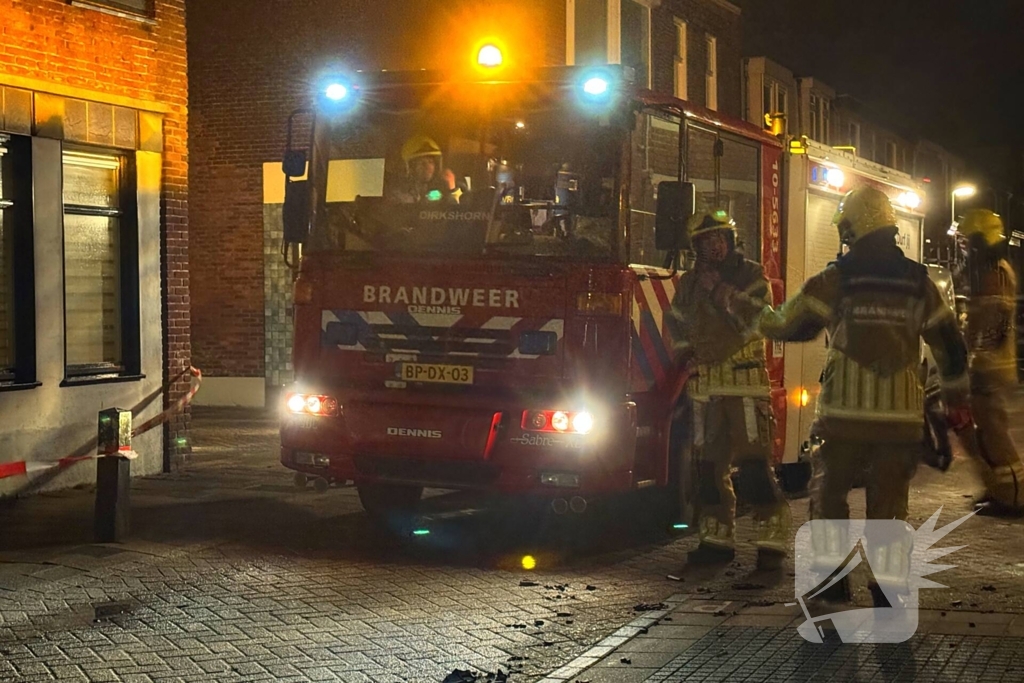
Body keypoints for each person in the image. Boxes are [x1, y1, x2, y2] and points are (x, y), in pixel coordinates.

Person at [744, 187, 969, 603]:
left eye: (845, 227)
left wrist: (754, 311)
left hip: (843, 418)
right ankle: (888, 588)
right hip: (900, 422)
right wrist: (956, 399)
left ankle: (832, 584)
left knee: (828, 497)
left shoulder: (838, 279)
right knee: (889, 508)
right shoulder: (919, 283)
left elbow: (791, 327)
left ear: (855, 227)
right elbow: (951, 346)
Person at [667, 210, 791, 570]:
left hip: (745, 386)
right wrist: (685, 354)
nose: (714, 246)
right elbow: (675, 322)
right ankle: (716, 541)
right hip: (706, 389)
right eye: (707, 241)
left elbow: (754, 321)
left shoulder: (751, 275)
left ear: (730, 241)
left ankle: (771, 545)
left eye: (719, 239)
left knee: (754, 468)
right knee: (707, 470)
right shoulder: (689, 283)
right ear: (697, 247)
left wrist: (720, 292)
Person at [957, 209, 1023, 516]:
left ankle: (1014, 498)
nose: (965, 245)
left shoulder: (993, 274)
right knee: (988, 432)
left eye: (969, 239)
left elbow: (991, 322)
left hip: (989, 366)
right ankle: (1002, 492)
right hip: (991, 364)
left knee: (995, 435)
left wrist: (974, 351)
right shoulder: (997, 269)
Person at [390, 135, 458, 204]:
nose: (428, 166)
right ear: (410, 168)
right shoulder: (399, 196)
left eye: (431, 162)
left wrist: (451, 188)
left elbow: (454, 212)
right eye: (422, 163)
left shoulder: (441, 191)